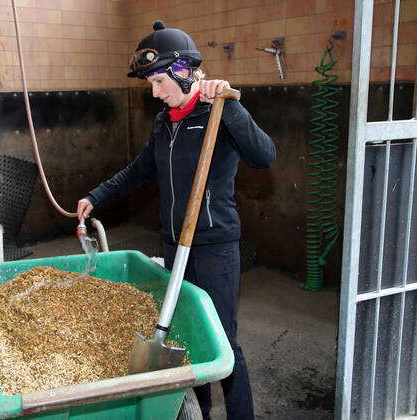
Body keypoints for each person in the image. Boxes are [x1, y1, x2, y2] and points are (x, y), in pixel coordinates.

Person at [77, 20, 275, 420]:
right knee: (185, 336)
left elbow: (264, 156)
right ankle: (196, 412)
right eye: (150, 83)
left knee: (223, 341)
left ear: (184, 72)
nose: (154, 91)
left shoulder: (218, 111)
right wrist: (96, 195)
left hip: (215, 245)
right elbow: (139, 170)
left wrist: (231, 105)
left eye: (159, 81)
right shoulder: (164, 122)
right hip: (174, 243)